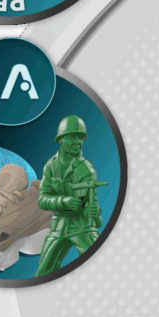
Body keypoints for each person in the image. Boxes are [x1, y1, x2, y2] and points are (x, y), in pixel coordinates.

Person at [35, 115, 108, 276]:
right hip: (58, 227)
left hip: (82, 226)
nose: (78, 142)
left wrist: (94, 213)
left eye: (81, 137)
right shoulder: (51, 166)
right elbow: (43, 200)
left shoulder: (85, 168)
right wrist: (64, 201)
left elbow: (92, 203)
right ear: (61, 139)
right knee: (43, 273)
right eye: (73, 137)